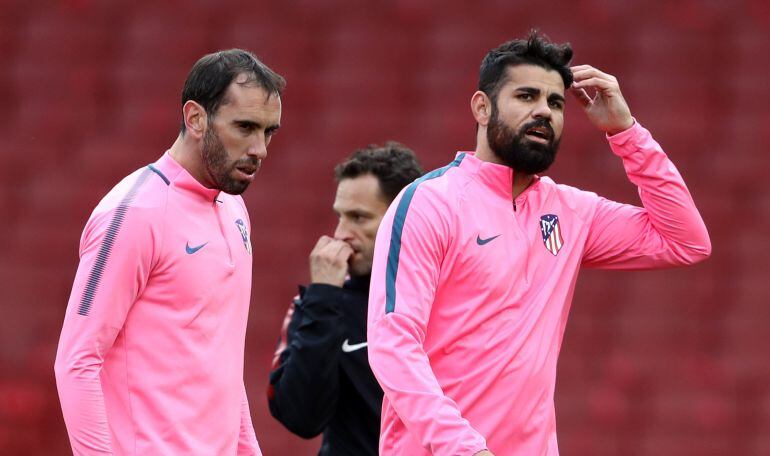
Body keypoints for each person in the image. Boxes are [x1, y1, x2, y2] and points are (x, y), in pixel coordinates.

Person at [366, 31, 711, 456]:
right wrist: (462, 448)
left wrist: (625, 131)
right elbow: (392, 343)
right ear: (481, 106)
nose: (543, 112)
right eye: (526, 96)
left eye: (555, 102)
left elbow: (685, 241)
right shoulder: (430, 202)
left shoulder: (571, 212)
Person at [54, 49, 285, 455]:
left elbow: (221, 367)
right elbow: (75, 363)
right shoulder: (133, 214)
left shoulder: (234, 208)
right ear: (196, 118)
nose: (260, 149)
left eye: (268, 132)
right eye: (245, 127)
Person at [267, 143, 423, 455]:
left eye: (359, 218)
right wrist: (323, 297)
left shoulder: (446, 299)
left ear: (404, 217)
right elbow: (301, 418)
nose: (341, 233)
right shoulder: (317, 306)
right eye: (340, 216)